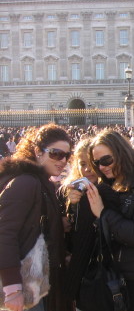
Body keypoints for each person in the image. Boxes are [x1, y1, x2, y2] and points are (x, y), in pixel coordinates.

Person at [85, 130, 134, 311]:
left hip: (133, 279)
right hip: (107, 272)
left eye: (106, 160)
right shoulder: (108, 182)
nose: (102, 167)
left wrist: (103, 214)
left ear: (121, 153)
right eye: (97, 163)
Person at [0, 124, 73, 311]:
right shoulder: (26, 182)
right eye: (56, 153)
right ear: (37, 151)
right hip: (25, 283)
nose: (63, 160)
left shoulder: (39, 181)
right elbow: (5, 234)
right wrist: (12, 289)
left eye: (67, 155)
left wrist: (58, 224)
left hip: (36, 279)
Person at [58, 138, 99, 308]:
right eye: (82, 164)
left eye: (92, 164)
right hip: (73, 266)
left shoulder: (110, 190)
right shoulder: (66, 190)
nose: (87, 169)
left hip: (100, 272)